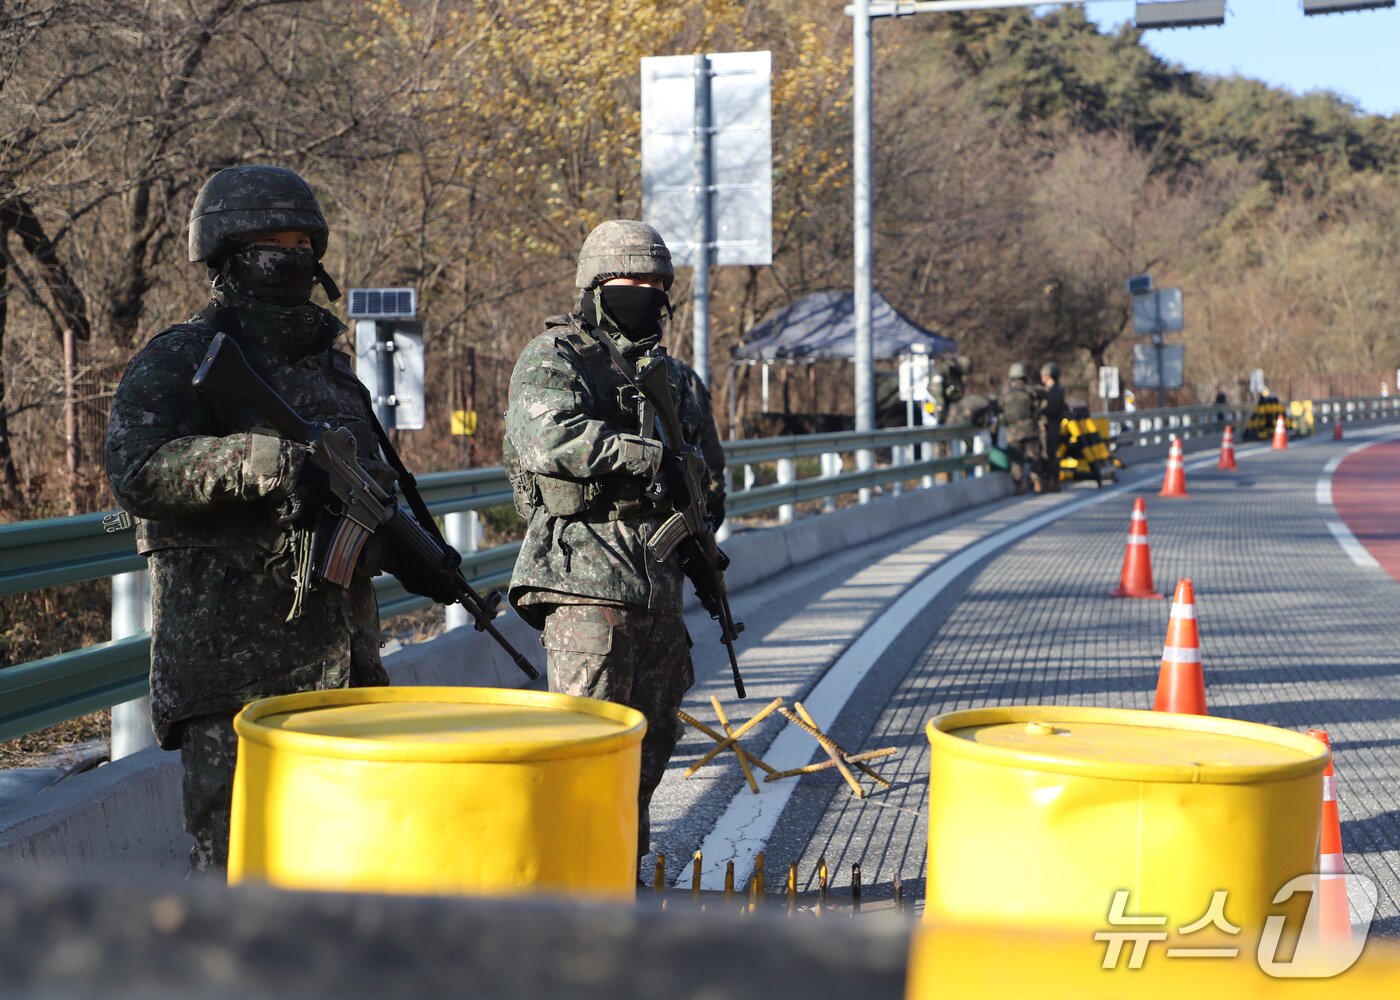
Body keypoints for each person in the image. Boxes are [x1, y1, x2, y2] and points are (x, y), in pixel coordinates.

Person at [105, 165, 446, 876]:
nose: (291, 256)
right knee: (239, 874)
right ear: (226, 252)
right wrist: (271, 462)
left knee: (347, 873)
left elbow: (366, 490)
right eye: (271, 243)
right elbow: (136, 469)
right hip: (233, 675)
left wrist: (405, 546)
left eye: (301, 243)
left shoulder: (333, 372)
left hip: (342, 673)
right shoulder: (181, 357)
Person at [504, 219, 718, 869]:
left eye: (656, 284)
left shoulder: (673, 378)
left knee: (649, 749)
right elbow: (548, 439)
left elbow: (706, 469)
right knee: (586, 745)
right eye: (629, 281)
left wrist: (697, 517)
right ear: (595, 286)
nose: (645, 294)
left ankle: (621, 876)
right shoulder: (555, 357)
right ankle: (572, 885)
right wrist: (645, 456)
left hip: (656, 586)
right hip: (583, 583)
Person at [1000, 363, 1042, 495]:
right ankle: (1037, 482)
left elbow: (1001, 412)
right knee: (1034, 457)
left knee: (1016, 460)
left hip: (1013, 431)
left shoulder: (1005, 394)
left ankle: (1019, 486)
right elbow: (1038, 409)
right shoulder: (1030, 392)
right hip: (1030, 429)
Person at [1039, 361, 1069, 493]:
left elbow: (1048, 409)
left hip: (1049, 426)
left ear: (1047, 376)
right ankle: (1054, 481)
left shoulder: (1050, 392)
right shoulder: (1059, 390)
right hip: (1055, 425)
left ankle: (1051, 481)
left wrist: (1039, 412)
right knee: (1053, 454)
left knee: (1048, 454)